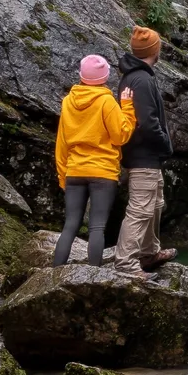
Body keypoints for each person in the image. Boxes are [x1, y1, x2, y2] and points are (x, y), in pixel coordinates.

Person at [54, 55, 136, 266]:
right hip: (102, 171)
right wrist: (127, 107)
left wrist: (63, 176)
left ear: (82, 76)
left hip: (74, 170)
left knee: (70, 225)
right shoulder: (106, 101)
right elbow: (120, 135)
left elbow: (61, 143)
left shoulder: (67, 102)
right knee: (97, 227)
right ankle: (94, 275)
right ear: (105, 77)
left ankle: (54, 273)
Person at [114, 26, 177, 275]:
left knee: (156, 204)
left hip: (147, 156)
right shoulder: (140, 79)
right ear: (155, 50)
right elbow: (147, 122)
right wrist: (165, 143)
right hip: (144, 155)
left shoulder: (138, 76)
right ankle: (126, 262)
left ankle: (149, 252)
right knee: (141, 208)